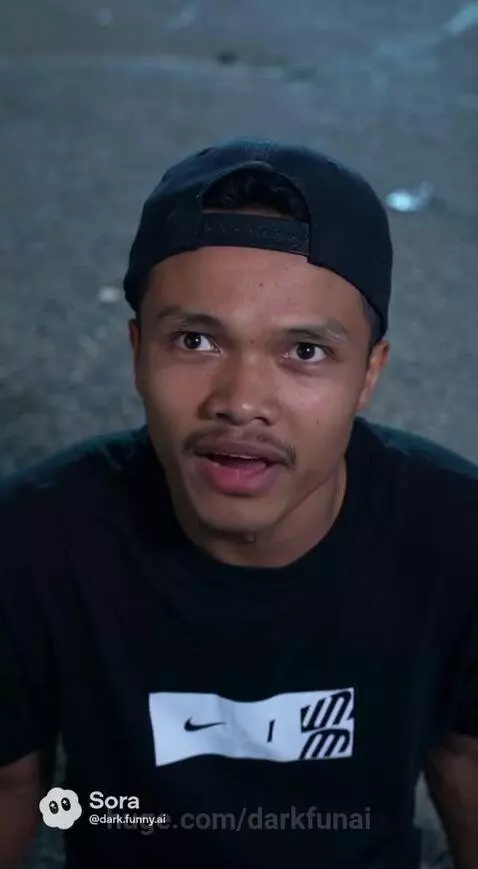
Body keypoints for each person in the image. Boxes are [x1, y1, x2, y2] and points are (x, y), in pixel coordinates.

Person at [0, 137, 477, 869]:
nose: (242, 401)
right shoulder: (31, 543)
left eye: (305, 352)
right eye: (195, 339)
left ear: (369, 374)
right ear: (137, 352)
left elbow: (465, 759)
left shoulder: (457, 539)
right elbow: (10, 784)